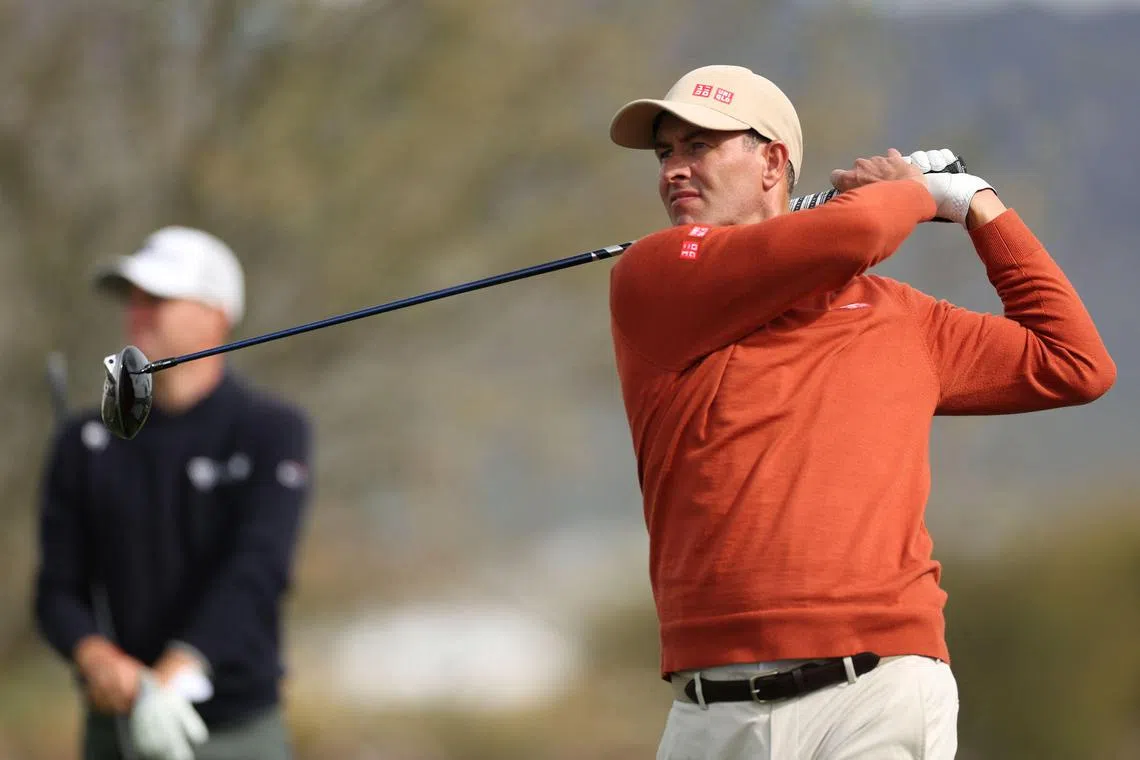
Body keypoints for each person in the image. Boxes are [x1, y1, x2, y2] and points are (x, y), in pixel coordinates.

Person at [606, 65, 1116, 759]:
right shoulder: (655, 273)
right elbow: (860, 231)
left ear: (772, 162)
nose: (673, 170)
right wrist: (914, 194)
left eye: (699, 146)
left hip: (876, 694)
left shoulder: (901, 318)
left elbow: (1075, 363)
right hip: (710, 711)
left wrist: (977, 204)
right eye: (666, 153)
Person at [34, 226, 314, 760]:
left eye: (158, 299)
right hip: (115, 724)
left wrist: (178, 672)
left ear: (216, 315)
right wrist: (97, 660)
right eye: (132, 299)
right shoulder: (85, 442)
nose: (138, 312)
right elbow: (57, 591)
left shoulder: (270, 430)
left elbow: (257, 571)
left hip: (232, 728)